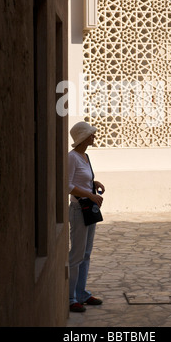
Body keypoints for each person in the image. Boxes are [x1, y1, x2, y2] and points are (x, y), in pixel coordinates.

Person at [68, 121, 105, 313]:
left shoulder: (85, 156)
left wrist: (94, 182)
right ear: (83, 137)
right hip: (78, 210)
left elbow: (81, 179)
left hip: (88, 209)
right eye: (91, 134)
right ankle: (71, 297)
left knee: (86, 254)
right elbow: (67, 185)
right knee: (76, 255)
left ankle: (82, 293)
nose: (94, 137)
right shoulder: (72, 158)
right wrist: (90, 194)